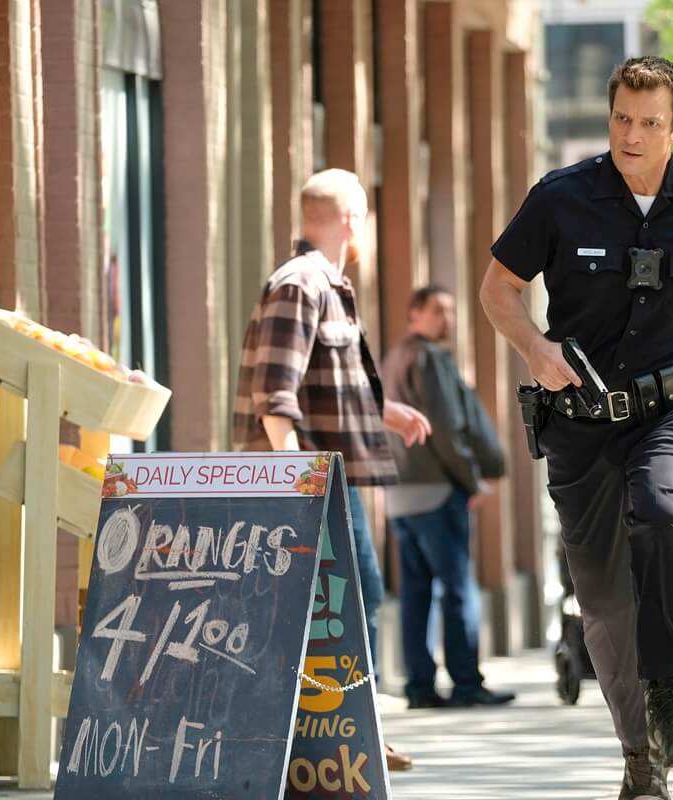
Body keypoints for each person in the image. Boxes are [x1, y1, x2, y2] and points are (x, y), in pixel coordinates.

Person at [479, 56, 673, 799]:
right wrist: (534, 346)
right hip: (581, 424)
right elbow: (498, 289)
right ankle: (640, 757)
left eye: (650, 123)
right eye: (622, 119)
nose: (632, 135)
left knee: (662, 504)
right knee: (606, 607)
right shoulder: (561, 198)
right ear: (609, 116)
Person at [232, 168, 431, 773]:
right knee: (347, 598)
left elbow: (325, 384)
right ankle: (346, 739)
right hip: (303, 482)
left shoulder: (328, 285)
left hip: (322, 476)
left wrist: (383, 411)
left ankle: (347, 735)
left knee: (331, 606)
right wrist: (297, 484)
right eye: (364, 217)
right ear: (351, 220)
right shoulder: (301, 284)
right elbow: (275, 392)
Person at [381, 286, 517, 710]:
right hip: (438, 491)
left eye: (451, 310)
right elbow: (445, 427)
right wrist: (472, 480)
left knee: (416, 593)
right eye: (438, 310)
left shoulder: (391, 359)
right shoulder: (429, 359)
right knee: (458, 589)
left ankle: (420, 687)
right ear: (414, 315)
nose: (448, 319)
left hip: (400, 494)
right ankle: (465, 684)